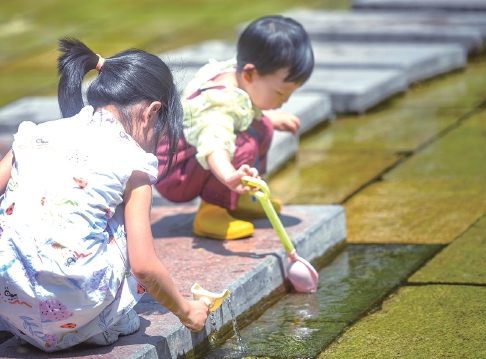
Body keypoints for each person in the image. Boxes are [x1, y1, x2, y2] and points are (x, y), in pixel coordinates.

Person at [0, 38, 209, 352]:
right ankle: (95, 326)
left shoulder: (36, 134)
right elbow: (144, 267)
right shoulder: (134, 164)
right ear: (152, 113)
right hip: (74, 308)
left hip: (9, 300)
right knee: (120, 218)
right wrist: (188, 311)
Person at [155, 15, 314, 241]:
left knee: (263, 126)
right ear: (249, 74)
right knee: (244, 145)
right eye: (280, 93)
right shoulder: (218, 105)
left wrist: (270, 117)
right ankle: (212, 213)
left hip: (189, 158)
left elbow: (245, 108)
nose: (285, 100)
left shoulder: (235, 73)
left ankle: (237, 200)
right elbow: (214, 143)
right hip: (175, 172)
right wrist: (229, 175)